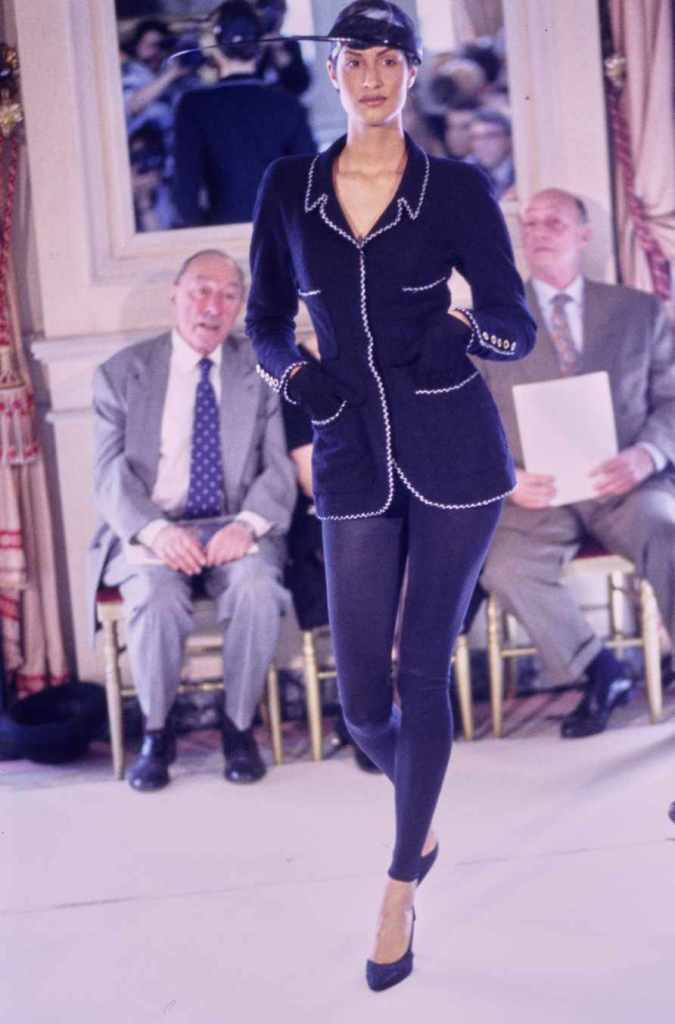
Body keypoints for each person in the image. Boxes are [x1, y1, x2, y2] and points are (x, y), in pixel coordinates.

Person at [245, 0, 536, 991]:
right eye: (353, 60)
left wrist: (462, 332)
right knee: (363, 698)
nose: (371, 77)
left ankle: (398, 887)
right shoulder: (288, 187)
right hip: (350, 450)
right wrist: (298, 378)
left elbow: (514, 322)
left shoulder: (455, 187)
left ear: (412, 70)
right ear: (331, 72)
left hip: (456, 452)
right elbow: (264, 322)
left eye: (388, 59)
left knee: (420, 673)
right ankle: (423, 817)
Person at [88, 250, 295, 791]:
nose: (213, 306)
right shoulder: (122, 374)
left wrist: (246, 525)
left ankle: (238, 727)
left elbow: (279, 467)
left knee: (256, 588)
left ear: (240, 307)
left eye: (229, 295)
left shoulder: (261, 370)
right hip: (152, 529)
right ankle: (157, 733)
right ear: (175, 295)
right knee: (157, 597)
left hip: (233, 525)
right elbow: (108, 475)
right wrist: (158, 532)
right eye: (201, 290)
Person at [480, 188, 675, 738]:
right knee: (503, 567)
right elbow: (467, 424)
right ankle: (598, 669)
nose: (538, 231)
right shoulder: (491, 325)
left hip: (626, 485)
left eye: (554, 222)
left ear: (584, 235)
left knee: (669, 531)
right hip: (538, 494)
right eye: (530, 223)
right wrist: (507, 478)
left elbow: (671, 399)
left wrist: (647, 455)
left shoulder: (638, 311)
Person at [172, 0, 316, 227]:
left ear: (215, 47)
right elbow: (310, 185)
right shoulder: (287, 104)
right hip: (279, 232)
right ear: (259, 48)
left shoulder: (193, 106)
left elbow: (185, 196)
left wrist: (204, 234)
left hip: (222, 230)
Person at [467, 109, 515, 200]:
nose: (482, 144)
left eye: (490, 136)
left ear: (509, 139)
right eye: (476, 137)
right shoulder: (468, 172)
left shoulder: (522, 172)